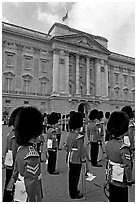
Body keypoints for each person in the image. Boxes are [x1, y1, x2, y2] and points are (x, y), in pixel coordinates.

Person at [6, 106, 43, 202]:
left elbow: (15, 173)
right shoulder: (32, 155)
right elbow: (31, 184)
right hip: (27, 194)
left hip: (19, 191)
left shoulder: (20, 149)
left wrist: (10, 189)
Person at [105, 111, 134, 202]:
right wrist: (129, 180)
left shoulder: (109, 143)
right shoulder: (123, 148)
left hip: (111, 178)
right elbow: (127, 166)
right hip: (121, 180)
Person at [2, 106, 23, 202]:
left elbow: (6, 149)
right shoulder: (15, 136)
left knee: (8, 184)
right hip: (14, 165)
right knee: (12, 186)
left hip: (9, 163)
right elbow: (15, 153)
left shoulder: (10, 133)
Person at [65, 112, 85, 199]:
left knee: (71, 176)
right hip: (77, 158)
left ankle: (72, 192)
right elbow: (81, 150)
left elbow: (66, 147)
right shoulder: (79, 136)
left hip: (70, 156)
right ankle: (74, 193)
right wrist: (83, 159)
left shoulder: (70, 134)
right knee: (76, 177)